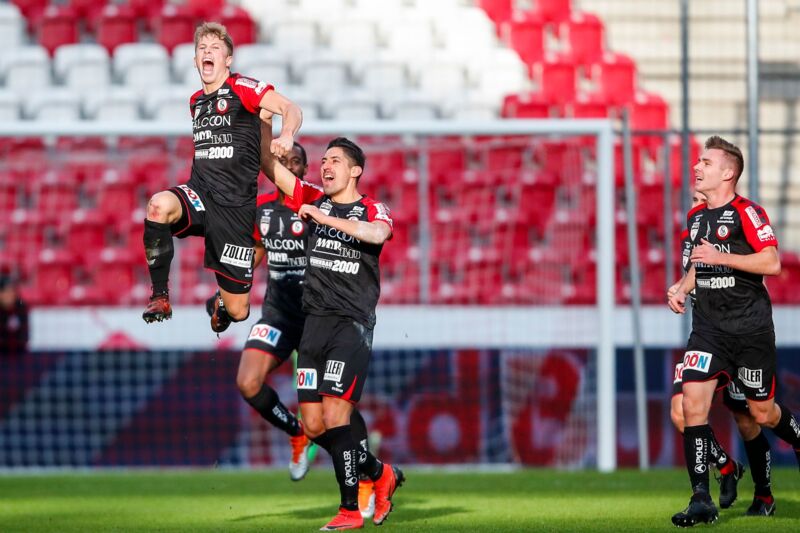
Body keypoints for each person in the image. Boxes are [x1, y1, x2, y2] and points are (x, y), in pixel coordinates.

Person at [263, 137, 403, 531]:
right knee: (313, 425)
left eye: (335, 160)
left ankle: (349, 510)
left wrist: (325, 220)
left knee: (336, 415)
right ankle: (379, 473)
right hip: (313, 325)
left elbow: (377, 235)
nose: (326, 165)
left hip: (350, 324)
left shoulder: (372, 208)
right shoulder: (312, 197)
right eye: (323, 160)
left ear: (355, 170)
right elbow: (270, 170)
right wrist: (266, 127)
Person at [668, 136, 800, 527]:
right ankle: (701, 499)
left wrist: (722, 257)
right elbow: (700, 264)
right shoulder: (695, 218)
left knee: (759, 414)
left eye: (705, 162)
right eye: (698, 161)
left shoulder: (748, 212)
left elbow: (772, 263)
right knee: (689, 407)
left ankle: (787, 453)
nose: (697, 167)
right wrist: (682, 287)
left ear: (727, 173)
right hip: (708, 330)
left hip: (749, 331)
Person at [141, 21, 302, 334]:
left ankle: (221, 303)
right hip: (200, 193)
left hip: (235, 210)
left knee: (239, 311)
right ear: (195, 60)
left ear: (228, 59)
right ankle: (160, 296)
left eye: (215, 48)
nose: (207, 52)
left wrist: (287, 134)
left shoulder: (243, 88)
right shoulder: (196, 101)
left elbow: (289, 107)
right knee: (158, 205)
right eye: (202, 48)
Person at [668, 191, 773, 516]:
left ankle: (764, 494)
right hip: (706, 335)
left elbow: (764, 264)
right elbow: (697, 273)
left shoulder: (738, 221)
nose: (698, 203)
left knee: (750, 418)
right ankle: (723, 470)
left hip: (740, 334)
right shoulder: (692, 229)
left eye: (703, 198)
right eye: (693, 197)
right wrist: (680, 287)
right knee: (682, 410)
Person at [0, 271, 28, 356]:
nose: (10, 295)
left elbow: (24, 337)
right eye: (6, 291)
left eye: (12, 291)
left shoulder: (21, 307)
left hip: (18, 354)